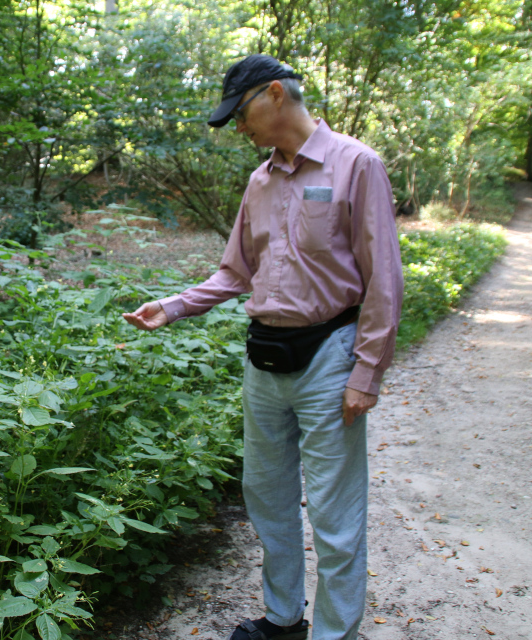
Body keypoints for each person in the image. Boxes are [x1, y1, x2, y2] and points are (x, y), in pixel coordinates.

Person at [122, 54, 403, 640]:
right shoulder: (259, 182)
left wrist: (366, 372)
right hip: (264, 358)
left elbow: (384, 278)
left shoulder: (357, 164)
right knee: (268, 500)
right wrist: (171, 307)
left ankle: (334, 632)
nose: (240, 129)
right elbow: (234, 273)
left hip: (331, 353)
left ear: (274, 94)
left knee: (333, 511)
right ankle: (283, 620)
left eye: (241, 114)